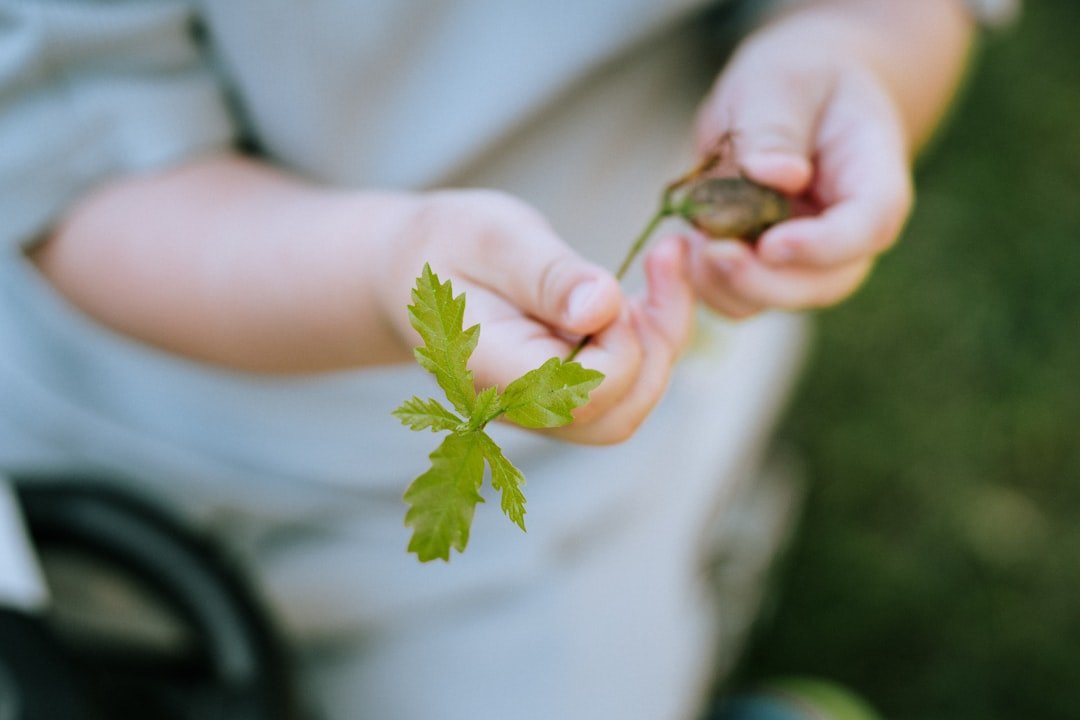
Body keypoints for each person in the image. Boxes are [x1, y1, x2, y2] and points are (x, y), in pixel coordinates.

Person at [0, 1, 1008, 718]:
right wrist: (381, 272)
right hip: (94, 410)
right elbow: (77, 154)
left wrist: (846, 53)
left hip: (560, 485)